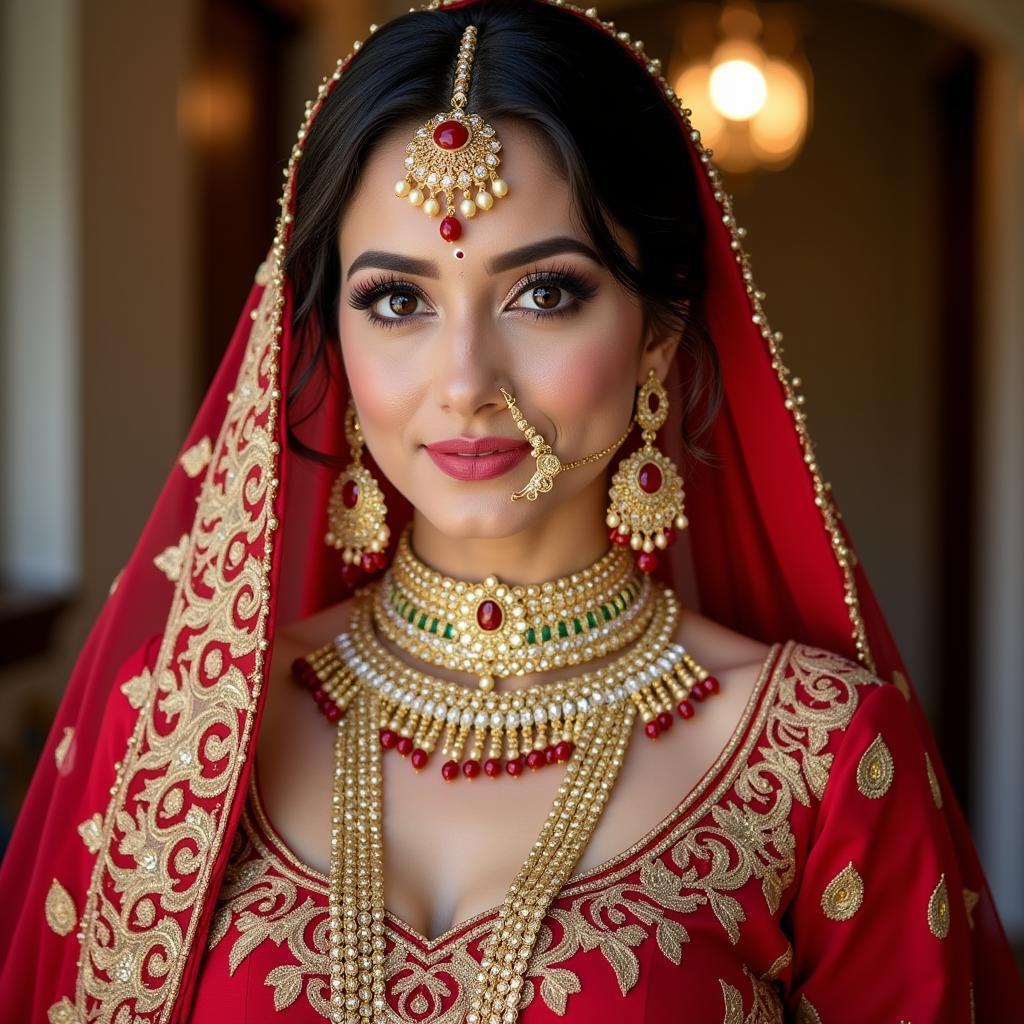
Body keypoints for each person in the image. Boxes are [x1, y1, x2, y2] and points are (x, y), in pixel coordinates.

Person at [1, 0, 1020, 1020]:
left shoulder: (822, 757)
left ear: (657, 334)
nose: (463, 381)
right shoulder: (182, 726)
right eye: (397, 300)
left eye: (543, 292)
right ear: (326, 338)